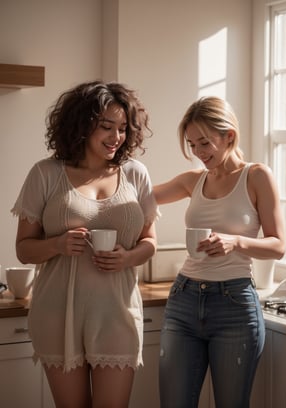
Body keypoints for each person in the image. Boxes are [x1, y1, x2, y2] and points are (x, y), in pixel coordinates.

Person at [11, 80, 158, 408]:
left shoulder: (136, 173)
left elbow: (150, 241)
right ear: (81, 124)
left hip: (118, 313)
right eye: (106, 126)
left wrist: (128, 257)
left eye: (122, 128)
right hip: (57, 313)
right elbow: (23, 247)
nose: (116, 137)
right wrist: (57, 245)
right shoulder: (45, 173)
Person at [153, 96, 285, 408]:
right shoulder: (193, 181)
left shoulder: (257, 176)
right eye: (192, 144)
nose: (198, 153)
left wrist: (235, 242)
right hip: (183, 300)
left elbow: (279, 246)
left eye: (205, 143)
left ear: (229, 136)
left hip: (235, 307)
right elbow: (140, 196)